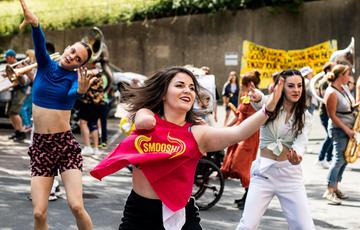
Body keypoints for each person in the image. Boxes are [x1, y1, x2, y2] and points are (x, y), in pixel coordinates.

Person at [90, 66, 284, 229]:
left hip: (179, 212)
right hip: (139, 213)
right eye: (180, 85)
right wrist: (143, 113)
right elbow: (143, 121)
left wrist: (268, 109)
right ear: (163, 94)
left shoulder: (198, 132)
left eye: (192, 88)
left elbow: (237, 133)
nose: (188, 91)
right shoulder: (148, 118)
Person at [19, 0, 94, 229]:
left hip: (64, 146)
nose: (72, 57)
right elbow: (39, 42)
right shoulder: (44, 64)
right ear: (68, 46)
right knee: (39, 213)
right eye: (72, 51)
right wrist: (35, 23)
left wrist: (81, 90)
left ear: (80, 65)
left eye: (78, 59)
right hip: (41, 146)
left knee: (76, 206)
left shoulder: (74, 81)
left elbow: (74, 94)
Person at [236, 69, 315, 230]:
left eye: (299, 86)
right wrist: (257, 96)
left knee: (305, 227)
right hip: (264, 174)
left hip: (289, 175)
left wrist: (297, 156)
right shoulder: (269, 106)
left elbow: (301, 142)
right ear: (282, 88)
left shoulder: (305, 117)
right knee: (247, 225)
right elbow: (260, 101)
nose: (296, 90)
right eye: (291, 86)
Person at [220, 70, 261, 210]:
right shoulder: (246, 96)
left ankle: (251, 197)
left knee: (242, 167)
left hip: (249, 137)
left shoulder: (256, 98)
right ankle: (247, 196)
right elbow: (238, 116)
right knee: (240, 167)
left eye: (243, 85)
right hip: (241, 135)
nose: (241, 87)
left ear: (249, 84)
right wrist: (226, 127)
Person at [323, 64, 355, 205]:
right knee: (338, 160)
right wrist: (347, 130)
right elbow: (332, 116)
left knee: (345, 159)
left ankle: (335, 188)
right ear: (340, 75)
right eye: (347, 74)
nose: (349, 77)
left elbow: (350, 105)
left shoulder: (345, 87)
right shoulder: (331, 93)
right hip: (338, 129)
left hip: (348, 127)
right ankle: (329, 190)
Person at [3, 49, 32, 141]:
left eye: (7, 57)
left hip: (20, 91)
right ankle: (17, 131)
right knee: (10, 113)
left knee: (14, 112)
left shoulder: (19, 66)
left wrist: (16, 75)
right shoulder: (10, 66)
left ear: (12, 57)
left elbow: (24, 81)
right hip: (13, 91)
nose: (6, 59)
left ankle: (21, 133)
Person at [315, 62, 335, 169]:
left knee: (332, 135)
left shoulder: (329, 81)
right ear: (328, 70)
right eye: (334, 68)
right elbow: (325, 97)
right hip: (325, 112)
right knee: (330, 135)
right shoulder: (324, 82)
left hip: (329, 112)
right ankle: (321, 158)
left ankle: (328, 158)